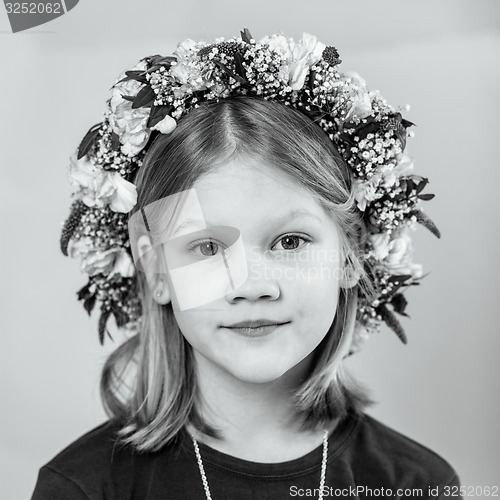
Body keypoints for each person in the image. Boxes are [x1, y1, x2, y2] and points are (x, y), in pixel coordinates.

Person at [32, 29, 462, 499]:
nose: (252, 286)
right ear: (156, 268)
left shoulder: (416, 485)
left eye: (291, 240)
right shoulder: (84, 487)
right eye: (208, 247)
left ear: (350, 255)